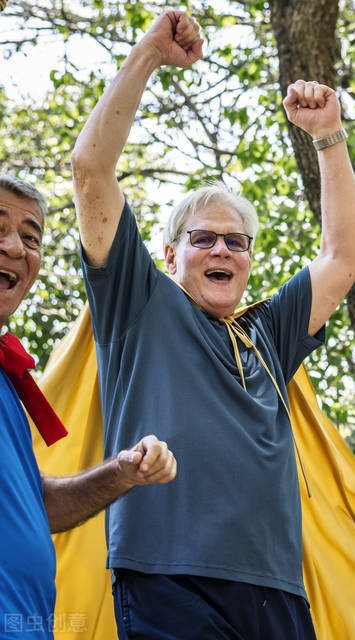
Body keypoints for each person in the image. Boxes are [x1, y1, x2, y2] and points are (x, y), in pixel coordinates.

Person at [69, 10, 355, 638]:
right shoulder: (139, 302)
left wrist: (329, 135)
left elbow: (345, 256)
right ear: (171, 254)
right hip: (167, 578)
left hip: (277, 587)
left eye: (238, 242)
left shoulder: (268, 332)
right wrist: (149, 52)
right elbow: (91, 170)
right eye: (204, 239)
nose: (224, 251)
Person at [0, 175, 176, 640]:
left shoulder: (7, 383)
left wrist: (122, 472)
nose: (16, 247)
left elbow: (36, 507)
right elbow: (90, 165)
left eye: (30, 237)